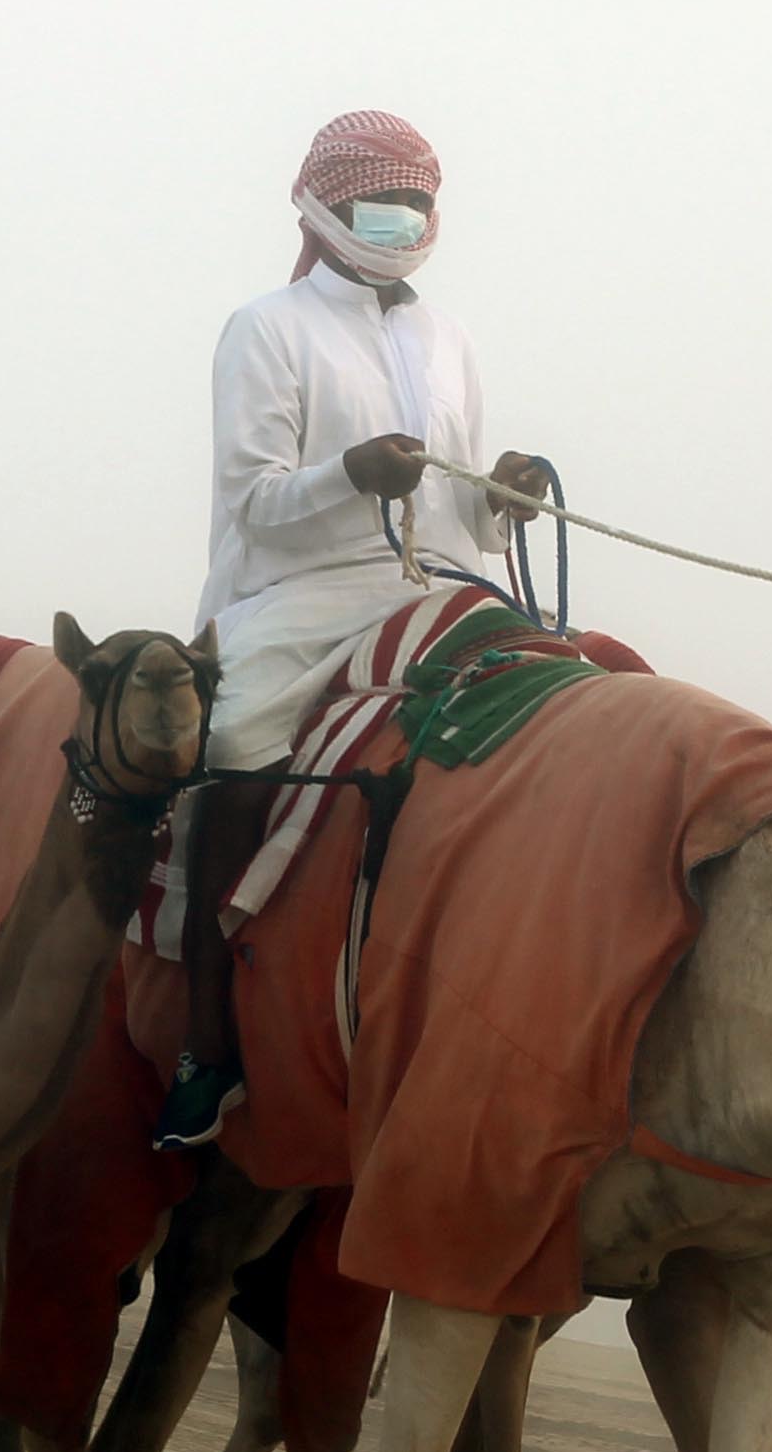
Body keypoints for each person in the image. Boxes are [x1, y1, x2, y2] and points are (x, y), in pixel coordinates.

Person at [157, 111, 554, 1149]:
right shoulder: (269, 327)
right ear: (321, 206)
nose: (404, 216)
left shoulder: (449, 339)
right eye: (383, 197)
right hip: (299, 594)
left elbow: (460, 514)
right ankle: (205, 1040)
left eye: (419, 199)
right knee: (236, 744)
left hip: (445, 584)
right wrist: (351, 476)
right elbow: (254, 501)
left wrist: (502, 501)